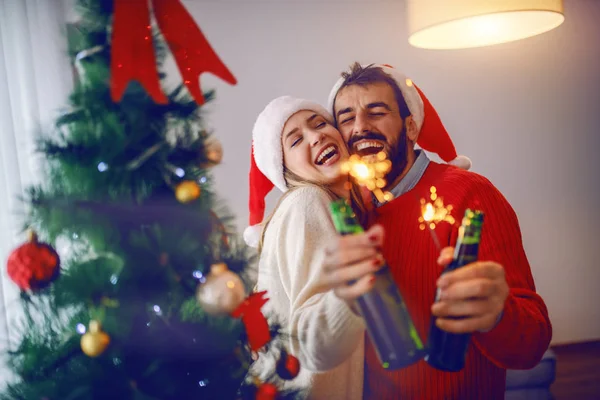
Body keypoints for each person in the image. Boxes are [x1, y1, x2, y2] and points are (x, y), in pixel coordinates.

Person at [319, 62, 552, 399]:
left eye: (376, 112)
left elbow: (531, 345)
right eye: (346, 117)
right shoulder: (351, 210)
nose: (360, 127)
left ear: (411, 126)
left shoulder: (470, 194)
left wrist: (497, 314)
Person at [244, 96, 377, 399]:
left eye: (320, 124)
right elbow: (311, 337)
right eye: (295, 140)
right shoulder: (308, 202)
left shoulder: (336, 210)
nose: (316, 136)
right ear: (286, 170)